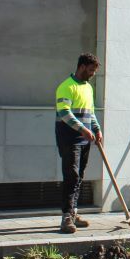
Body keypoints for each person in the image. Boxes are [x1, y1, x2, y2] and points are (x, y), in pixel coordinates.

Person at [55, 53, 103, 234]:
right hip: (69, 138)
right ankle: (66, 216)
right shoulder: (66, 87)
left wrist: (97, 129)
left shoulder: (88, 88)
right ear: (82, 66)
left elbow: (90, 112)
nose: (92, 74)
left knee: (79, 175)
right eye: (91, 70)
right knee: (72, 175)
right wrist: (82, 129)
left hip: (85, 139)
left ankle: (73, 212)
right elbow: (64, 112)